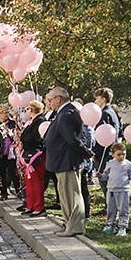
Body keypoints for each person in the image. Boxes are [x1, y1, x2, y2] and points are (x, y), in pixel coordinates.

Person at [44, 87, 94, 237]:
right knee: (65, 194)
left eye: (51, 100)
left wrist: (86, 153)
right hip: (61, 160)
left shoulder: (67, 113)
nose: (49, 103)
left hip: (67, 160)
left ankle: (75, 227)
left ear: (58, 99)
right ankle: (68, 223)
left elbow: (72, 139)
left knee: (71, 194)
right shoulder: (62, 112)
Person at [97, 142, 131, 236]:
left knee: (123, 209)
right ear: (113, 154)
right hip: (111, 190)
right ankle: (111, 226)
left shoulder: (128, 164)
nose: (121, 156)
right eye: (119, 154)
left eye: (123, 154)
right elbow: (106, 176)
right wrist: (100, 176)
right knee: (111, 209)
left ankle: (122, 227)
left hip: (123, 190)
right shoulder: (109, 164)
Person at [19, 100, 48, 216]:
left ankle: (38, 207)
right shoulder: (32, 121)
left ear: (32, 109)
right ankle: (30, 205)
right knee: (29, 183)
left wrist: (24, 137)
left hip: (36, 156)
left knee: (36, 183)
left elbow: (33, 138)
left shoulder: (40, 121)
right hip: (28, 154)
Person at [93, 87, 122, 196]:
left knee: (105, 183)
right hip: (109, 152)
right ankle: (109, 208)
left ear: (103, 99)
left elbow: (102, 136)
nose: (95, 101)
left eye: (97, 98)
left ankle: (110, 209)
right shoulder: (112, 112)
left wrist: (95, 152)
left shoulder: (104, 114)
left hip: (104, 154)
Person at [0, 106, 20, 201]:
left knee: (14, 172)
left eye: (8, 112)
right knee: (1, 173)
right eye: (5, 112)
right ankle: (3, 192)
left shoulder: (12, 123)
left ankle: (19, 191)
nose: (7, 114)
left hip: (11, 153)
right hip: (0, 153)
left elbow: (18, 133)